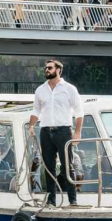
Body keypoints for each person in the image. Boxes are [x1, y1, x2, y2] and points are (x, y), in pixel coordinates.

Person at [28, 59, 83, 209]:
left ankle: (73, 200)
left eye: (50, 68)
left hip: (64, 130)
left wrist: (77, 132)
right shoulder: (40, 90)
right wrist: (31, 125)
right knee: (48, 166)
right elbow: (36, 110)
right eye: (46, 68)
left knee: (67, 166)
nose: (47, 70)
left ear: (58, 70)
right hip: (45, 131)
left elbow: (79, 111)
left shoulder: (69, 89)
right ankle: (51, 200)